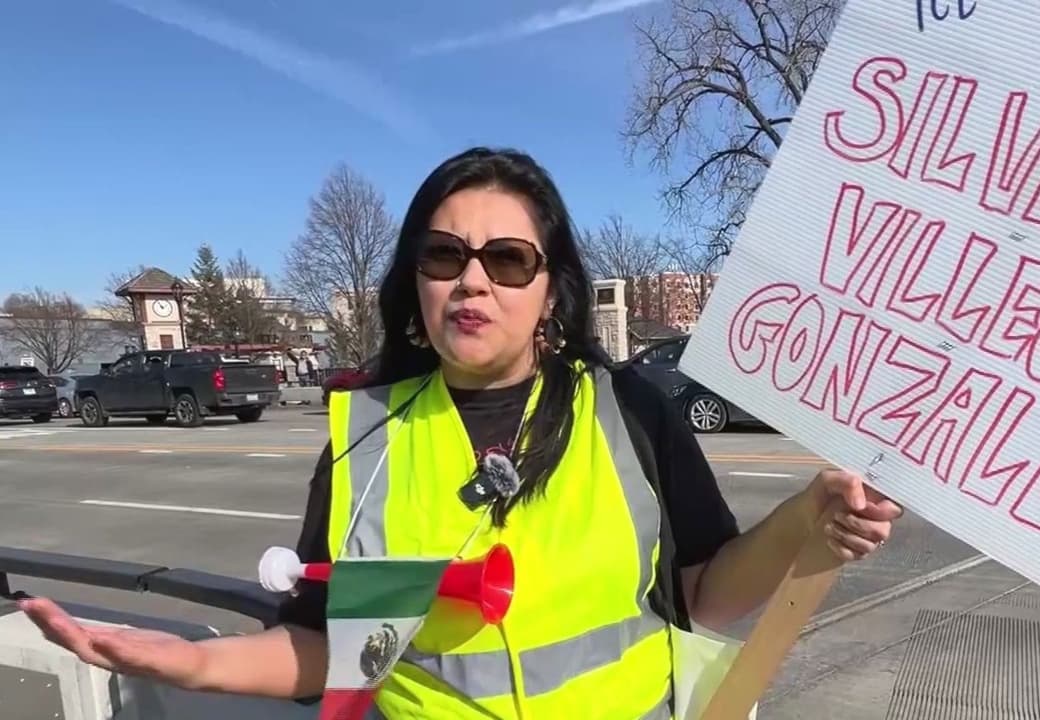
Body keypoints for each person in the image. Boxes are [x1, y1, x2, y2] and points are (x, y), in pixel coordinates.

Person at [17, 147, 903, 718]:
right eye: (445, 256)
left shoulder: (630, 409)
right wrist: (182, 662)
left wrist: (801, 519)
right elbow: (338, 652)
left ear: (549, 288)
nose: (472, 282)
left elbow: (707, 597)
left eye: (506, 259)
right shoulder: (366, 440)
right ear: (418, 281)